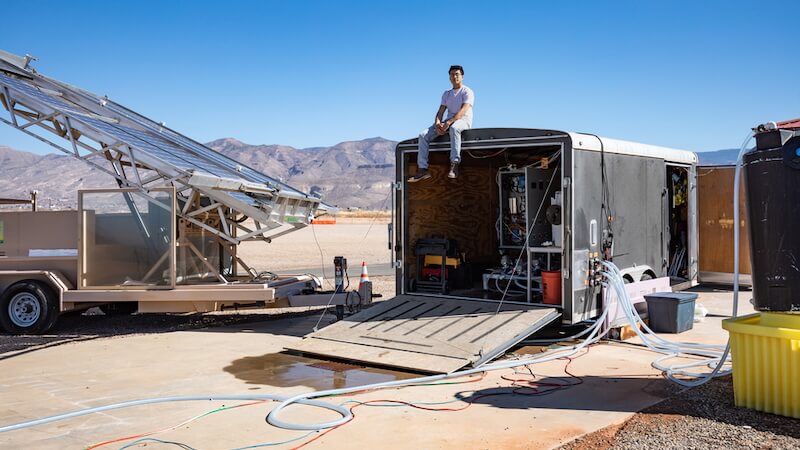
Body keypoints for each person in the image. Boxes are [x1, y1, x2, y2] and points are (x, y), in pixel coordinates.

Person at [408, 65, 474, 182]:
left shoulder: (467, 91)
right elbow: (440, 111)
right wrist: (438, 123)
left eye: (457, 74)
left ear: (462, 77)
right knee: (423, 135)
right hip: (447, 122)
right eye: (452, 74)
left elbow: (463, 110)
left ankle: (454, 164)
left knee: (454, 129)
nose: (454, 77)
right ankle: (423, 169)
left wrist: (448, 123)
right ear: (449, 77)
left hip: (463, 121)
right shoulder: (446, 94)